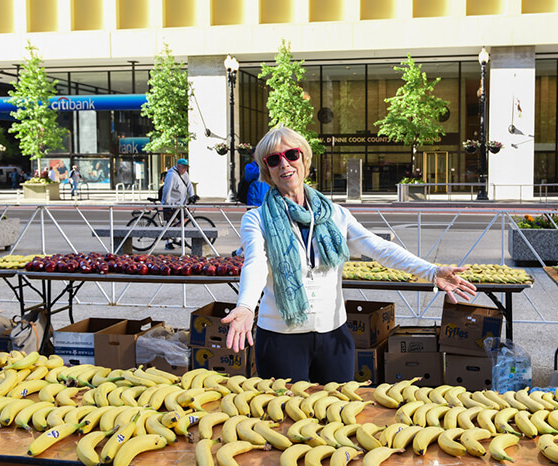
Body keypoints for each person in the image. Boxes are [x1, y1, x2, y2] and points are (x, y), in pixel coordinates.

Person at [221, 126, 477, 383]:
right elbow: (255, 262)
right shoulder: (256, 219)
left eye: (292, 154)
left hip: (333, 336)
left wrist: (431, 271)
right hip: (280, 339)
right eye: (274, 159)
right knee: (287, 418)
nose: (284, 164)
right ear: (267, 170)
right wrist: (245, 307)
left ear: (304, 159)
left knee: (337, 415)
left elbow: (377, 247)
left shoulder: (334, 213)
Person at [161, 159, 196, 250]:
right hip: (171, 203)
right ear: (178, 166)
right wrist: (167, 204)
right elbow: (166, 190)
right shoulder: (171, 175)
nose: (185, 170)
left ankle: (177, 237)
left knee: (185, 218)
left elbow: (189, 185)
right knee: (170, 222)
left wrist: (192, 196)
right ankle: (168, 242)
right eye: (183, 167)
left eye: (186, 168)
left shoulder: (185, 174)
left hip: (181, 203)